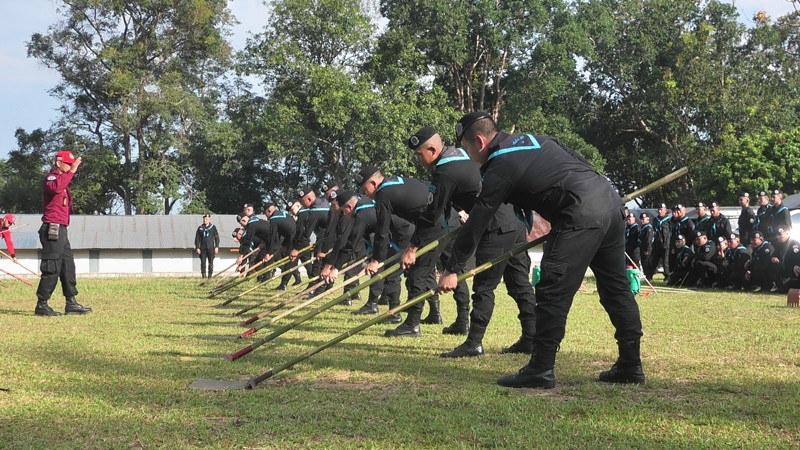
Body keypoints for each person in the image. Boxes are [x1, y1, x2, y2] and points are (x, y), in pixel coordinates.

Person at [438, 111, 644, 388]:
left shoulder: (500, 163)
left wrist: (452, 267)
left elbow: (479, 217)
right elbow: (582, 162)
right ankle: (630, 365)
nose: (468, 154)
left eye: (466, 147)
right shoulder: (536, 140)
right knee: (616, 288)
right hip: (610, 202)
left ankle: (540, 368)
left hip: (579, 214)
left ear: (479, 141)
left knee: (552, 289)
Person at [401, 126, 537, 358]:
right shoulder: (463, 155)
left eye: (419, 154)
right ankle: (531, 338)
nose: (418, 159)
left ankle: (474, 342)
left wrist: (412, 248)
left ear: (432, 149)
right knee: (518, 283)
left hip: (494, 225)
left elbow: (432, 215)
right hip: (514, 222)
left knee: (484, 286)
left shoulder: (444, 171)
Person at [358, 166, 436, 336]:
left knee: (417, 275)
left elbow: (382, 231)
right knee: (423, 273)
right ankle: (442, 318)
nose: (365, 194)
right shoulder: (396, 182)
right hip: (431, 224)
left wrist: (376, 260)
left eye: (365, 189)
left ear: (373, 183)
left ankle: (412, 325)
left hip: (432, 225)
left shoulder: (383, 194)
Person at [34, 150, 92, 316]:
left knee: (67, 265)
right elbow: (56, 187)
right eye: (68, 164)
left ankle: (71, 302)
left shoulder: (62, 180)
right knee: (52, 266)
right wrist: (72, 171)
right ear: (58, 162)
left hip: (61, 228)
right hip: (52, 227)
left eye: (71, 164)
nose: (70, 167)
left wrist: (71, 171)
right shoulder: (51, 178)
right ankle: (42, 304)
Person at [648, 203, 671, 281]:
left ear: (665, 210)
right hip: (657, 243)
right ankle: (649, 275)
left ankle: (667, 276)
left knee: (666, 261)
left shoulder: (669, 220)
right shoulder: (655, 220)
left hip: (666, 244)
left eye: (662, 209)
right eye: (659, 210)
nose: (660, 211)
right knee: (653, 260)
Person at [194, 214, 219, 278]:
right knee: (203, 262)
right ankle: (203, 275)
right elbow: (197, 238)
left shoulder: (213, 227)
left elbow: (216, 237)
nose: (205, 220)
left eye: (206, 219)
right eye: (204, 219)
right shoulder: (200, 228)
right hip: (203, 248)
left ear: (209, 220)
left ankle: (210, 275)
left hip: (211, 248)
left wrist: (216, 246)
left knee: (211, 262)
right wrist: (197, 247)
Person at [638, 213, 653, 280]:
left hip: (647, 249)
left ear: (648, 219)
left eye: (643, 219)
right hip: (642, 248)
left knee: (647, 263)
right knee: (644, 263)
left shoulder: (648, 228)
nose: (642, 221)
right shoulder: (643, 227)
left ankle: (649, 277)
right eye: (641, 219)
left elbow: (648, 240)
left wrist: (647, 249)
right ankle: (646, 276)